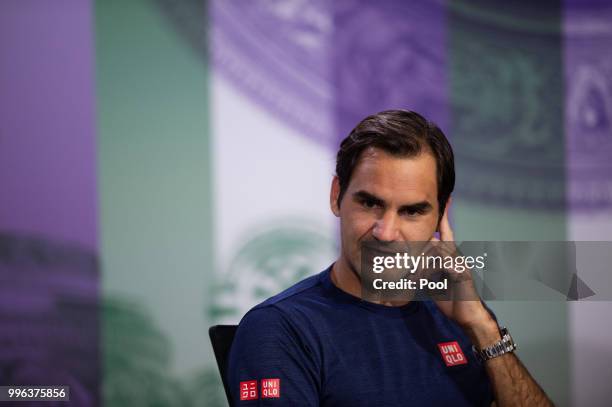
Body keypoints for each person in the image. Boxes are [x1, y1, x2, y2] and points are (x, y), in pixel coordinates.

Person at [227, 110, 552, 406]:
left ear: (441, 215)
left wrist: (482, 328)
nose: (386, 232)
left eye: (411, 211)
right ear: (336, 196)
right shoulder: (281, 328)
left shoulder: (463, 317)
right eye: (370, 204)